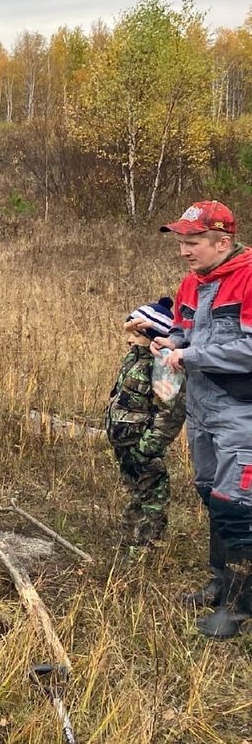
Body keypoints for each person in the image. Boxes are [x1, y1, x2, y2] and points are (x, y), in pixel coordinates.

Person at [153, 200, 252, 639]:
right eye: (182, 242)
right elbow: (182, 328)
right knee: (210, 494)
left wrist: (189, 355)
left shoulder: (248, 279)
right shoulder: (192, 283)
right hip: (201, 409)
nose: (184, 251)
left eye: (192, 242)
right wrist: (168, 343)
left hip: (241, 412)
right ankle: (220, 581)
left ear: (222, 242)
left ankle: (239, 605)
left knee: (236, 505)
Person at [104, 297, 186, 549]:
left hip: (143, 445)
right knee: (134, 491)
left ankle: (149, 544)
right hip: (125, 442)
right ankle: (129, 538)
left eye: (137, 335)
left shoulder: (163, 366)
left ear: (153, 337)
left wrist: (149, 445)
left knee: (152, 494)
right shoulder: (133, 359)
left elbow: (171, 412)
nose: (130, 339)